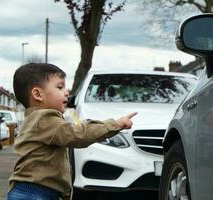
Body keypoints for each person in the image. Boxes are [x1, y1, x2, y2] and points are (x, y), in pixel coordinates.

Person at [7, 63, 137, 200]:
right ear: (38, 94)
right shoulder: (44, 119)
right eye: (59, 87)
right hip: (35, 193)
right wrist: (115, 125)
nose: (66, 91)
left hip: (33, 191)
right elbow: (79, 134)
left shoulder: (34, 120)